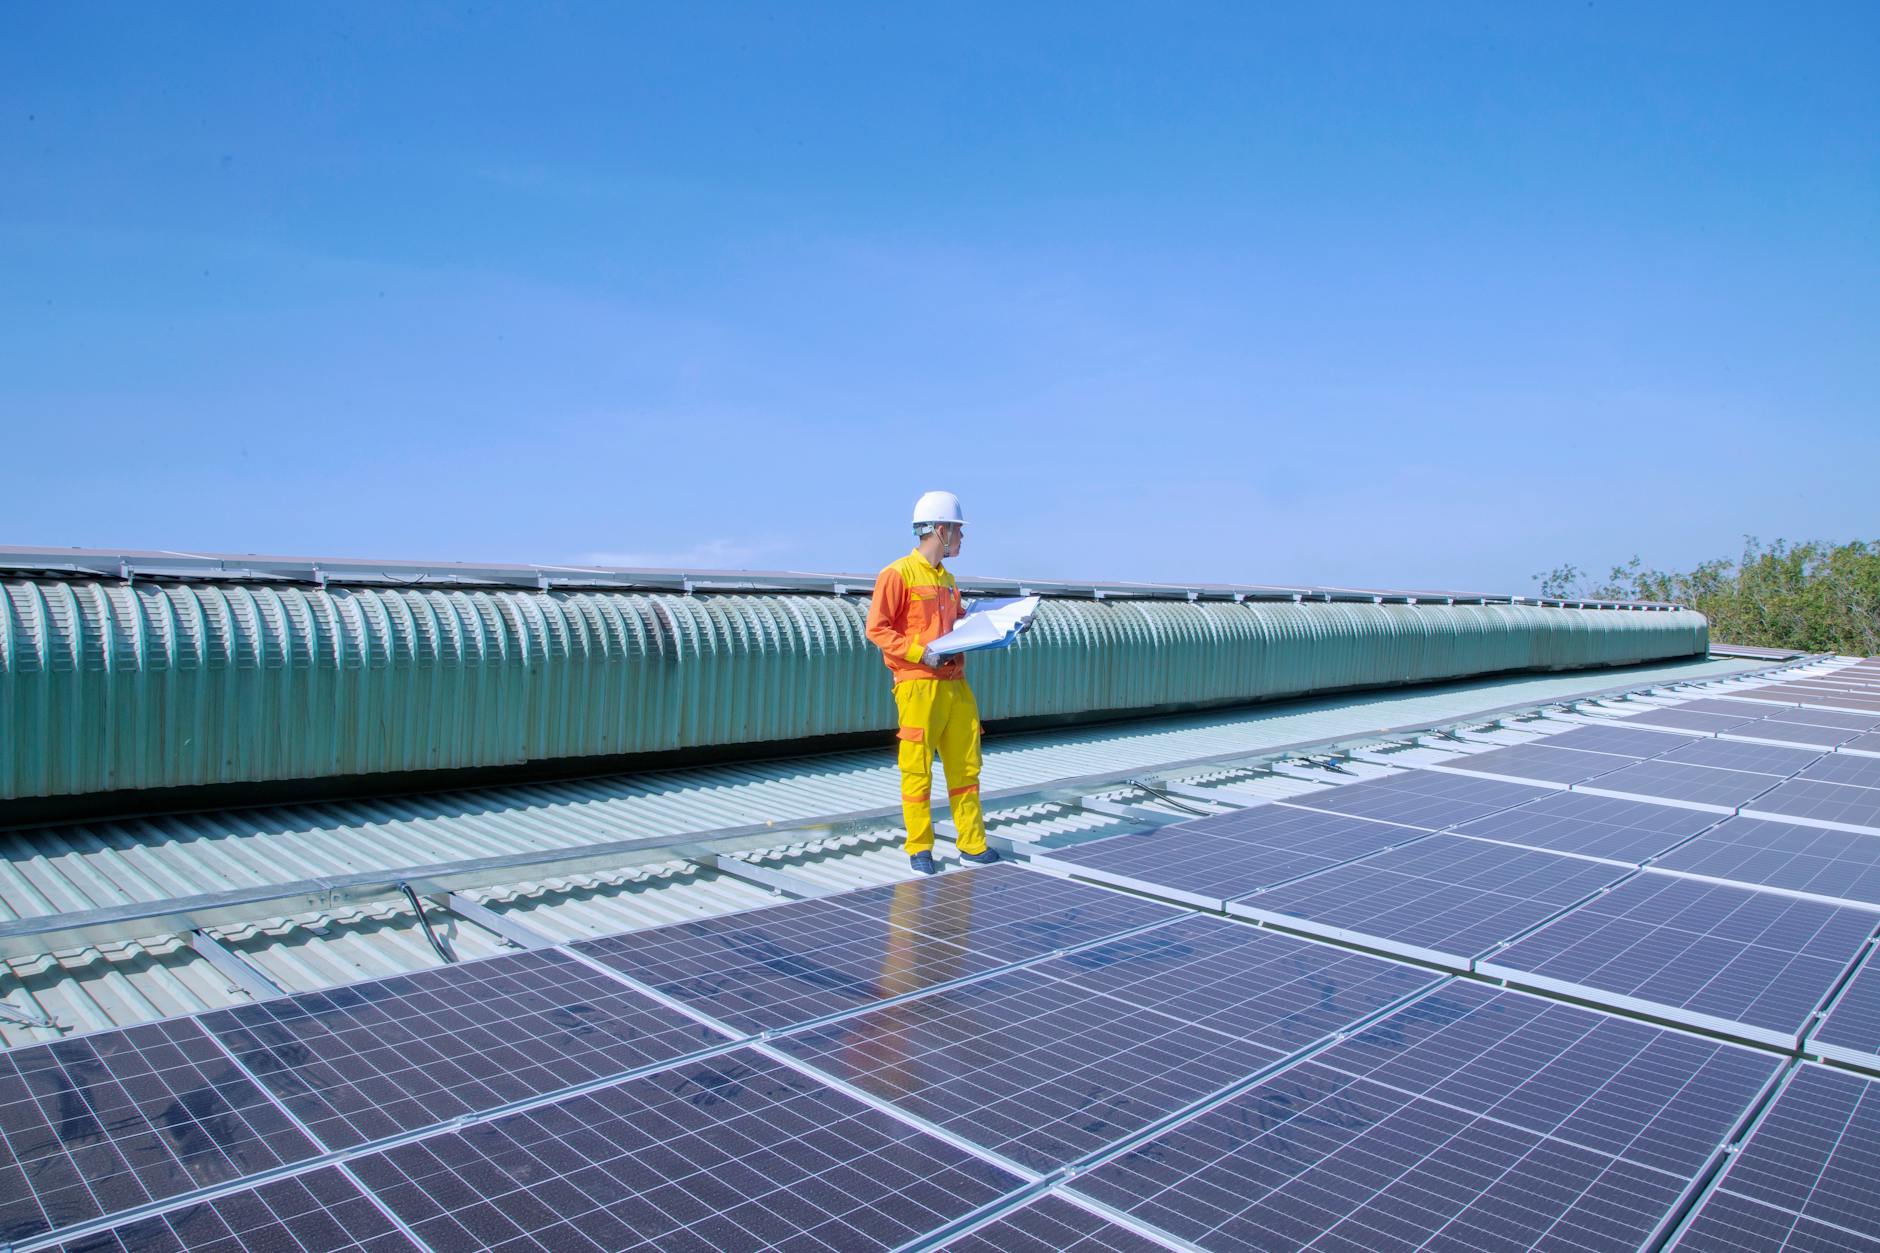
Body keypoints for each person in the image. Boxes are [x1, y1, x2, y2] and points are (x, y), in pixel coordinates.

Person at [865, 491, 1001, 875]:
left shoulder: (949, 581)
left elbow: (958, 626)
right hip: (918, 685)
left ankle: (972, 845)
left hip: (956, 685)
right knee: (917, 769)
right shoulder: (897, 575)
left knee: (966, 768)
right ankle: (920, 847)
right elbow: (877, 629)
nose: (961, 538)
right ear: (940, 531)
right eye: (958, 531)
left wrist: (1003, 625)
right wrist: (918, 653)